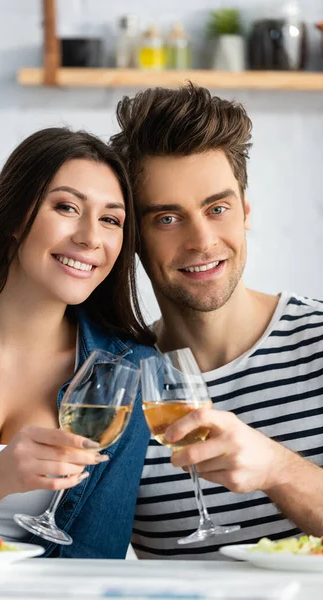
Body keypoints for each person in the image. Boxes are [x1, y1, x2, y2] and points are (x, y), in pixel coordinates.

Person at [111, 83, 323, 559]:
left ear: (245, 210)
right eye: (168, 218)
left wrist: (278, 470)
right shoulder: (120, 387)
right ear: (134, 238)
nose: (202, 240)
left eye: (217, 208)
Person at [0, 127, 156, 559]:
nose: (90, 237)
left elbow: (93, 557)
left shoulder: (131, 372)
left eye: (111, 219)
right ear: (14, 217)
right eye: (67, 207)